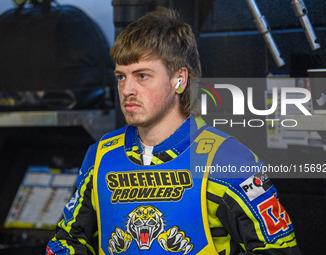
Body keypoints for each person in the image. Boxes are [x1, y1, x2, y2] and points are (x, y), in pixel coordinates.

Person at [46, 7, 301, 255]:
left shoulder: (228, 160)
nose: (126, 89)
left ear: (179, 79)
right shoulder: (101, 156)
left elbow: (279, 250)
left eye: (142, 75)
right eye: (121, 76)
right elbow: (67, 241)